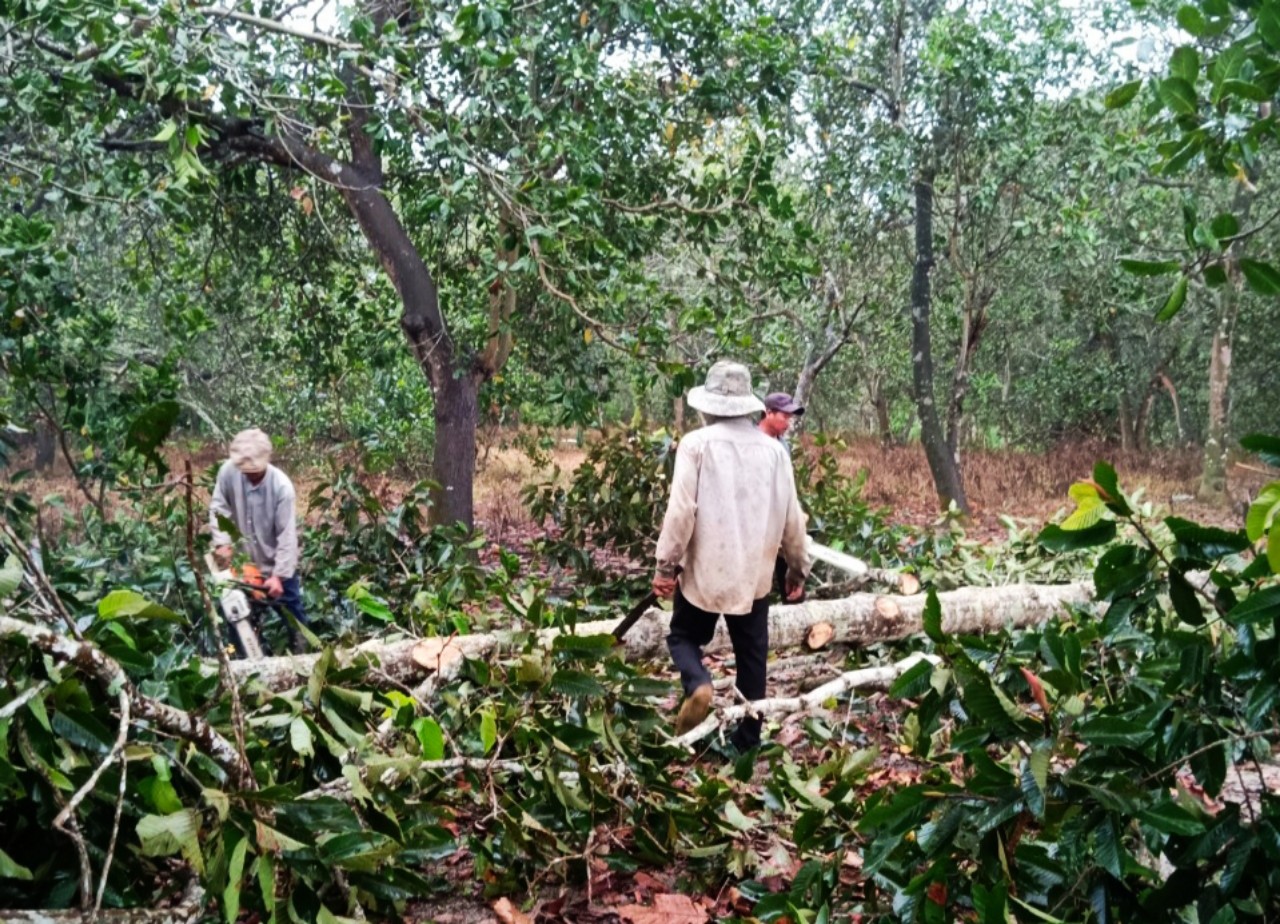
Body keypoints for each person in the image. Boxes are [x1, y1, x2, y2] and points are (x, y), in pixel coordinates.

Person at [653, 361, 810, 755]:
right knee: (752, 655)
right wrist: (796, 570)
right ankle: (748, 741)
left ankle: (698, 683)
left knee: (684, 636)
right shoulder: (775, 453)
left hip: (705, 573)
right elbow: (793, 519)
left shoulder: (696, 444)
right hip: (753, 578)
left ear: (708, 407)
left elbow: (681, 512)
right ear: (748, 406)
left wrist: (665, 567)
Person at [209, 428, 310, 653]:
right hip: (243, 566)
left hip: (275, 565)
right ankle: (247, 665)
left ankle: (305, 658)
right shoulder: (228, 473)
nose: (249, 475)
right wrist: (222, 542)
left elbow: (287, 536)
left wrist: (278, 576)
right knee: (238, 619)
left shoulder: (281, 487)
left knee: (295, 619)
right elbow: (219, 507)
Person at [759, 392, 806, 600]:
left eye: (790, 418)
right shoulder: (753, 443)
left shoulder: (783, 445)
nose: (788, 423)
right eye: (784, 417)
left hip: (781, 526)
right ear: (768, 413)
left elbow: (785, 487)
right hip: (758, 530)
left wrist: (795, 512)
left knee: (793, 588)